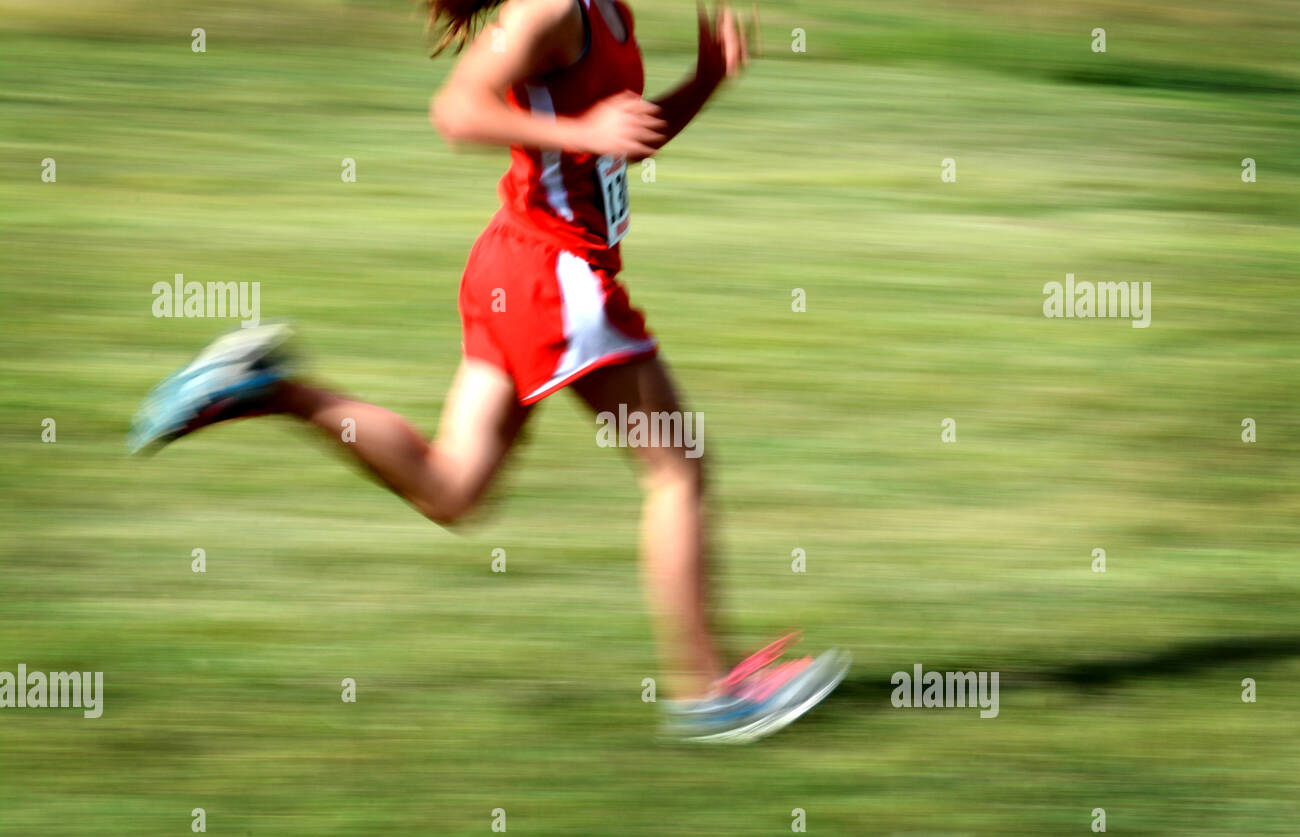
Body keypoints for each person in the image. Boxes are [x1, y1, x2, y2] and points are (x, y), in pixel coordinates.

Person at [128, 0, 848, 741]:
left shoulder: (606, 12)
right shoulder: (549, 8)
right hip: (552, 276)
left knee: (452, 489)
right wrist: (582, 130)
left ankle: (269, 386)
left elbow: (613, 148)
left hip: (521, 270)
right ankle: (708, 692)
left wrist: (703, 82)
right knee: (678, 466)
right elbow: (457, 111)